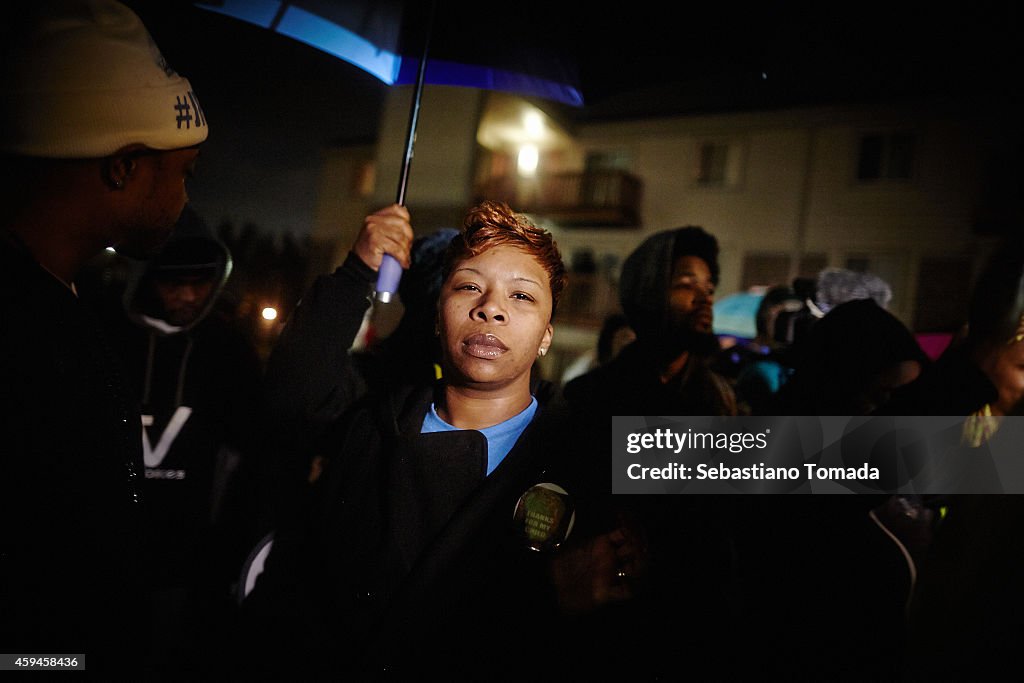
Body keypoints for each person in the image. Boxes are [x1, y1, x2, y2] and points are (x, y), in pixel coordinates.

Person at [237, 201, 645, 680]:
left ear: (546, 337)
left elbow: (746, 462)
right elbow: (291, 395)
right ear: (436, 317)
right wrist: (357, 272)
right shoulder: (369, 431)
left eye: (522, 297)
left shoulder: (593, 449)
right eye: (470, 286)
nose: (490, 307)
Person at [0, 0, 206, 673]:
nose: (186, 200)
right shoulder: (30, 340)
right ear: (122, 166)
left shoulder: (55, 306)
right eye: (184, 173)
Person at [89, 206, 266, 676]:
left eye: (200, 283)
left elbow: (253, 451)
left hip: (192, 562)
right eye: (173, 283)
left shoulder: (226, 351)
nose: (188, 296)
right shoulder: (108, 341)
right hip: (106, 557)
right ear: (146, 280)